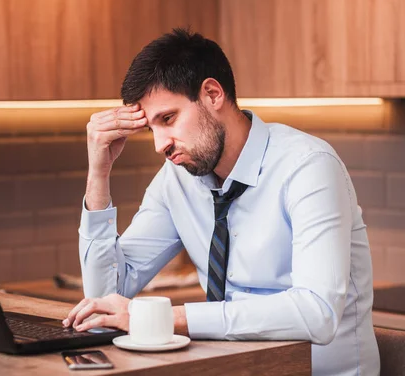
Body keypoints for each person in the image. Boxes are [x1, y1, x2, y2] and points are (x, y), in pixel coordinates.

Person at [61, 28, 380, 376]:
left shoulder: (308, 166)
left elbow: (318, 312)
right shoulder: (177, 180)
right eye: (151, 128)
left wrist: (171, 318)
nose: (159, 145)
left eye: (168, 119)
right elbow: (106, 298)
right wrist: (99, 174)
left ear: (213, 94)